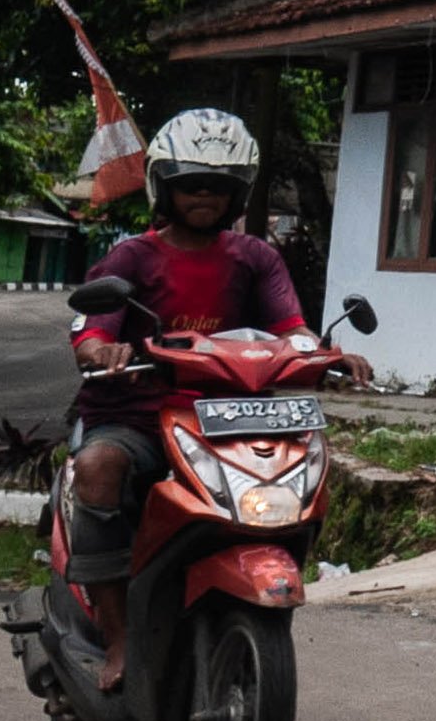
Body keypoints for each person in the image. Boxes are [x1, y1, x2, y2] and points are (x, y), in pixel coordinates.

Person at [63, 110, 336, 690]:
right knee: (97, 468)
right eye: (190, 182)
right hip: (137, 419)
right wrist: (101, 352)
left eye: (218, 184)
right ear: (167, 187)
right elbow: (90, 333)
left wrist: (324, 354)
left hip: (225, 420)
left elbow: (292, 328)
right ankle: (117, 637)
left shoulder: (256, 258)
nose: (204, 194)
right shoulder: (131, 258)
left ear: (239, 191)